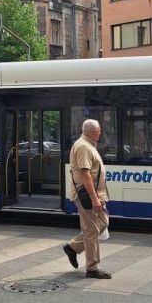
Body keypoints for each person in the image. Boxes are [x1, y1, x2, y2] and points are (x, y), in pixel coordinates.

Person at [63, 119, 111, 279]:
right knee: (91, 230)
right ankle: (92, 268)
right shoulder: (83, 146)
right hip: (88, 195)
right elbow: (85, 174)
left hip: (96, 194)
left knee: (103, 223)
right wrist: (95, 198)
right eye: (98, 130)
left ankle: (73, 247)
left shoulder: (89, 144)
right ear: (91, 131)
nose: (100, 133)